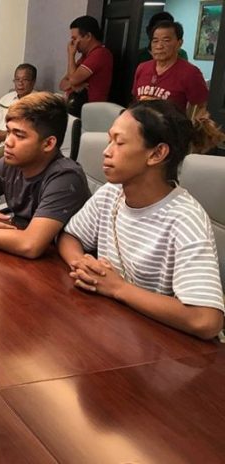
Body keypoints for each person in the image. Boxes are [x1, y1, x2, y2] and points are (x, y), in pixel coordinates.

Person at [58, 99, 225, 340]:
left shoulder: (185, 218)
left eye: (120, 142)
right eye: (109, 140)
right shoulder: (112, 193)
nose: (106, 151)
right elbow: (70, 236)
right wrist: (83, 265)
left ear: (157, 153)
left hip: (161, 348)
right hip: (116, 328)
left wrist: (117, 288)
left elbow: (206, 319)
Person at [0, 92, 90, 259]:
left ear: (48, 143)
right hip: (17, 252)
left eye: (19, 135)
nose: (8, 142)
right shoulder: (10, 163)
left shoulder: (66, 177)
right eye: (9, 132)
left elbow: (30, 245)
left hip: (57, 265)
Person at [132, 21, 208, 115]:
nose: (159, 46)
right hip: (140, 126)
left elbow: (201, 109)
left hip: (171, 127)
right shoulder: (142, 68)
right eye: (155, 41)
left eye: (166, 40)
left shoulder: (190, 73)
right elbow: (135, 99)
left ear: (179, 43)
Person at [59, 15, 113, 116]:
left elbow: (73, 79)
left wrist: (71, 55)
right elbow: (62, 84)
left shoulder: (100, 53)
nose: (72, 43)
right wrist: (74, 85)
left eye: (75, 39)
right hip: (75, 108)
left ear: (88, 36)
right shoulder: (85, 56)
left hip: (90, 112)